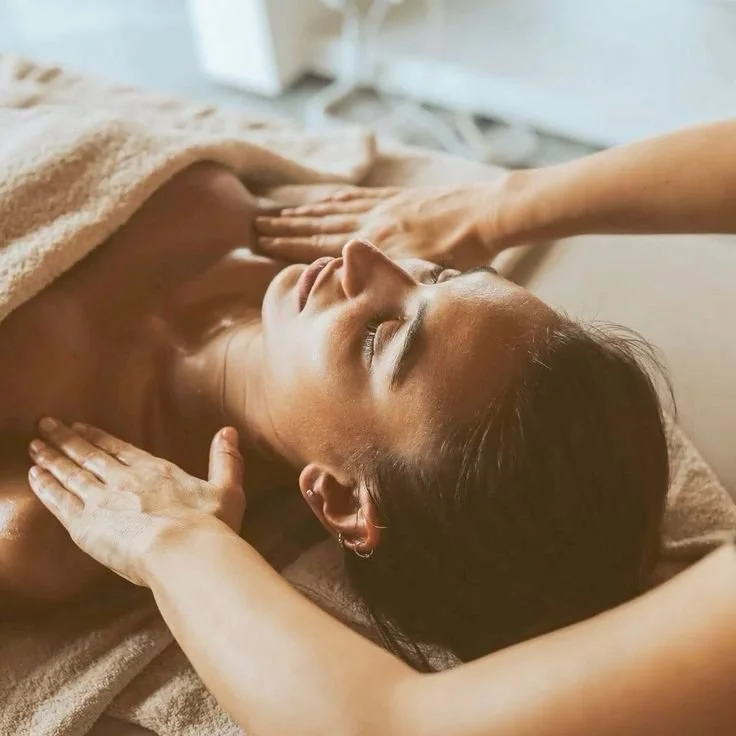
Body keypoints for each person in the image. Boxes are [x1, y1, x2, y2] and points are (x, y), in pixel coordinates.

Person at [20, 118, 736, 732]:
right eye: (441, 276)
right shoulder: (220, 210)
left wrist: (175, 539)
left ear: (339, 499)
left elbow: (387, 723)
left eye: (380, 340)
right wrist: (495, 205)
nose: (365, 256)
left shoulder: (47, 512)